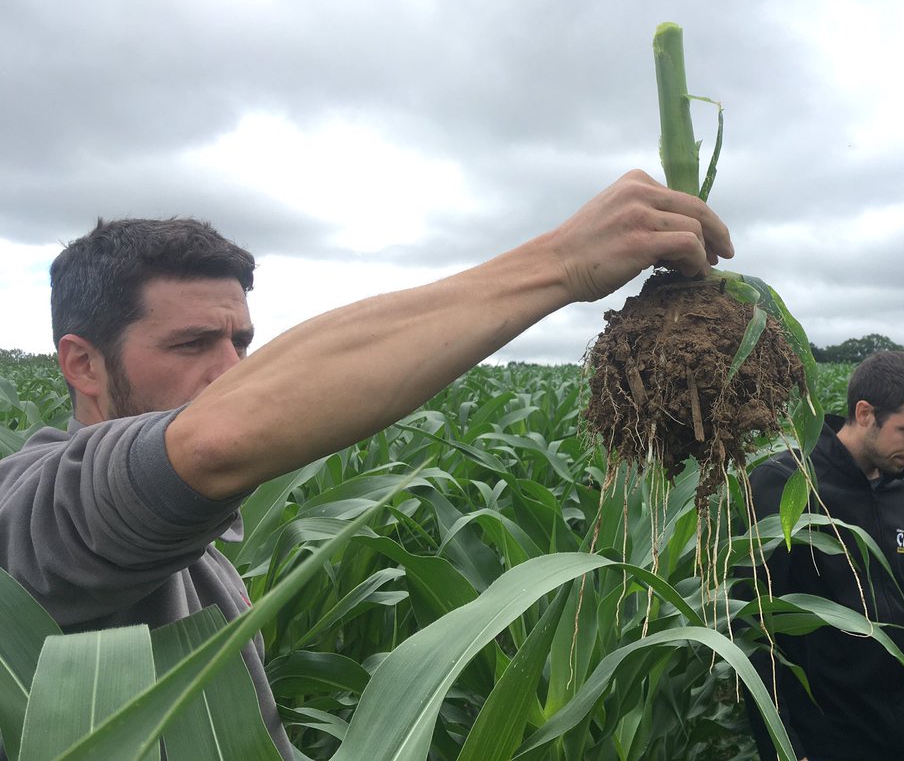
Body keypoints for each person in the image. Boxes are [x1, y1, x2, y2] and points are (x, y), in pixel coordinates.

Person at [0, 170, 733, 759]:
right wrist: (559, 263)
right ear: (83, 366)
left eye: (243, 344)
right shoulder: (35, 519)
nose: (230, 372)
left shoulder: (200, 554)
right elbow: (214, 440)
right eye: (192, 345)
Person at [743, 350, 904, 761]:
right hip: (830, 743)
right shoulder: (786, 485)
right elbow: (755, 630)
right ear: (865, 412)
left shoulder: (902, 489)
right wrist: (783, 747)